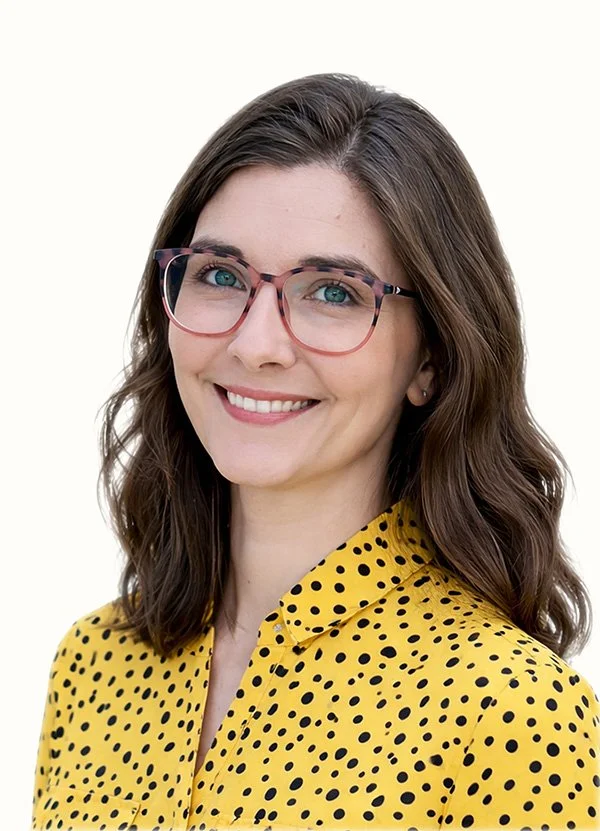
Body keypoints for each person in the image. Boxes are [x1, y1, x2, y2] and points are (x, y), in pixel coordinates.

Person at [31, 73, 599, 831]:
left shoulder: (511, 712)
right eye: (220, 276)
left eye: (333, 291)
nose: (255, 344)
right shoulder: (93, 665)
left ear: (431, 360)